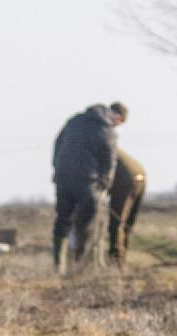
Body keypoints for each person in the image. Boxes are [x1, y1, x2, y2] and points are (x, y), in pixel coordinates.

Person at [51, 102, 127, 272]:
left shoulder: (75, 121)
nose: (117, 126)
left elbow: (57, 144)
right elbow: (110, 159)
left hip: (63, 178)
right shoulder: (108, 130)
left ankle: (59, 265)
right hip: (87, 181)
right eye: (119, 123)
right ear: (116, 117)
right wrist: (105, 183)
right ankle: (80, 264)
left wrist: (57, 167)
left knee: (62, 220)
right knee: (86, 223)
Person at [107, 149, 146, 266]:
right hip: (139, 175)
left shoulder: (90, 144)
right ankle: (122, 256)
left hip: (126, 178)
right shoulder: (105, 139)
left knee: (117, 222)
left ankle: (117, 261)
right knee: (127, 223)